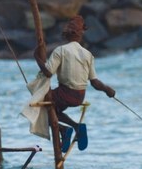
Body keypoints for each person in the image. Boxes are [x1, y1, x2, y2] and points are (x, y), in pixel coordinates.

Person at [35, 15, 116, 152]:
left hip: (65, 94)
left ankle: (64, 129)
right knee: (54, 111)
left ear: (66, 34)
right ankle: (76, 127)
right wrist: (108, 90)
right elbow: (95, 83)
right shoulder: (87, 54)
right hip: (79, 97)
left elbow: (48, 73)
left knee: (38, 107)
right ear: (80, 35)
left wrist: (37, 58)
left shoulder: (60, 50)